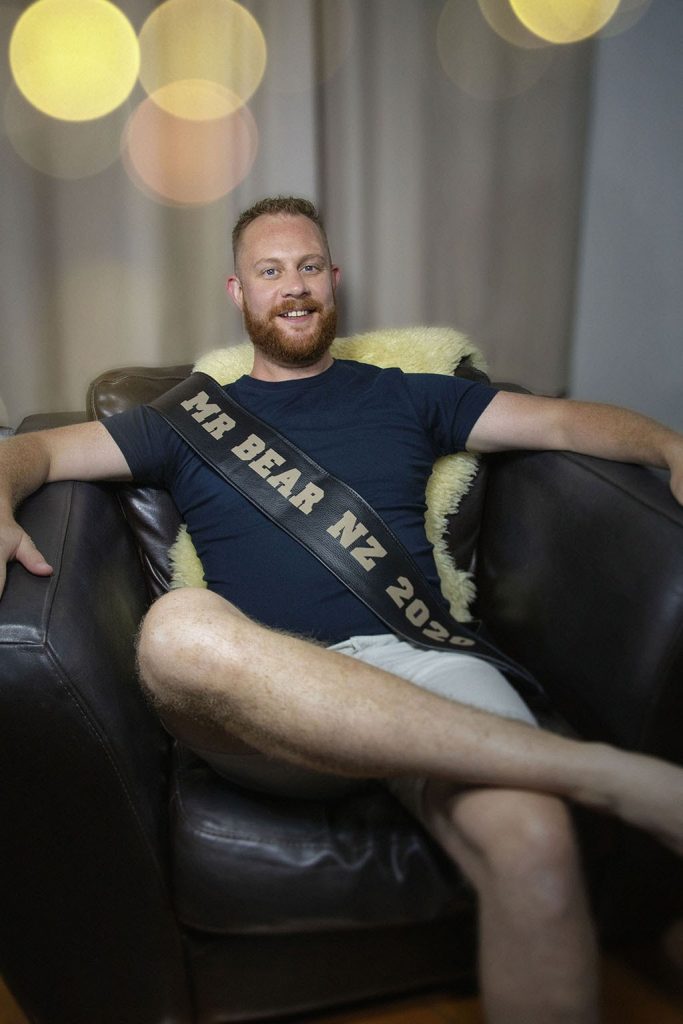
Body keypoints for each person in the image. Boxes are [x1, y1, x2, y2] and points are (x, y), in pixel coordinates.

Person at [1, 195, 682, 1024]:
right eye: (270, 270)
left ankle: (566, 785)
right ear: (238, 291)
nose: (293, 286)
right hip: (270, 699)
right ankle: (605, 777)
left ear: (334, 279)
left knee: (535, 845)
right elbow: (34, 450)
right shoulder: (183, 420)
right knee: (178, 630)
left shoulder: (412, 396)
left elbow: (564, 423)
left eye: (309, 267)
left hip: (423, 664)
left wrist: (670, 446)